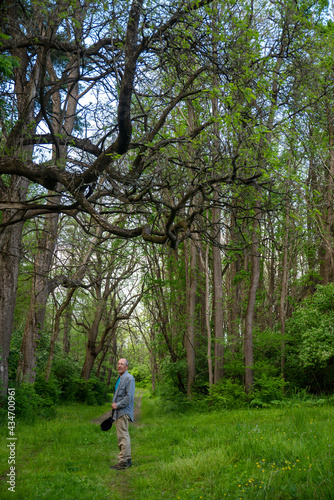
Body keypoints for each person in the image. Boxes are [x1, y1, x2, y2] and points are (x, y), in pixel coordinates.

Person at [110, 358, 135, 470]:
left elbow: (129, 397)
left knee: (122, 437)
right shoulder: (120, 378)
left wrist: (117, 405)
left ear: (126, 367)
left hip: (123, 411)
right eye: (118, 363)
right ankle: (127, 459)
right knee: (123, 435)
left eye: (122, 364)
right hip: (118, 412)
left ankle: (123, 461)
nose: (119, 366)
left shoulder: (129, 378)